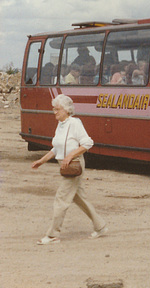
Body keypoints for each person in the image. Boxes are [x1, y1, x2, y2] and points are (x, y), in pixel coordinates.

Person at [31, 94, 107, 245]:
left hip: (74, 166)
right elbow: (56, 148)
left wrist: (69, 156)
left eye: (57, 109)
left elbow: (87, 143)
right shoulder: (61, 124)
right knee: (79, 198)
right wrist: (42, 160)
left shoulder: (75, 123)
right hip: (65, 166)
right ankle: (100, 226)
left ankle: (53, 235)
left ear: (66, 109)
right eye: (54, 109)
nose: (54, 112)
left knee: (61, 198)